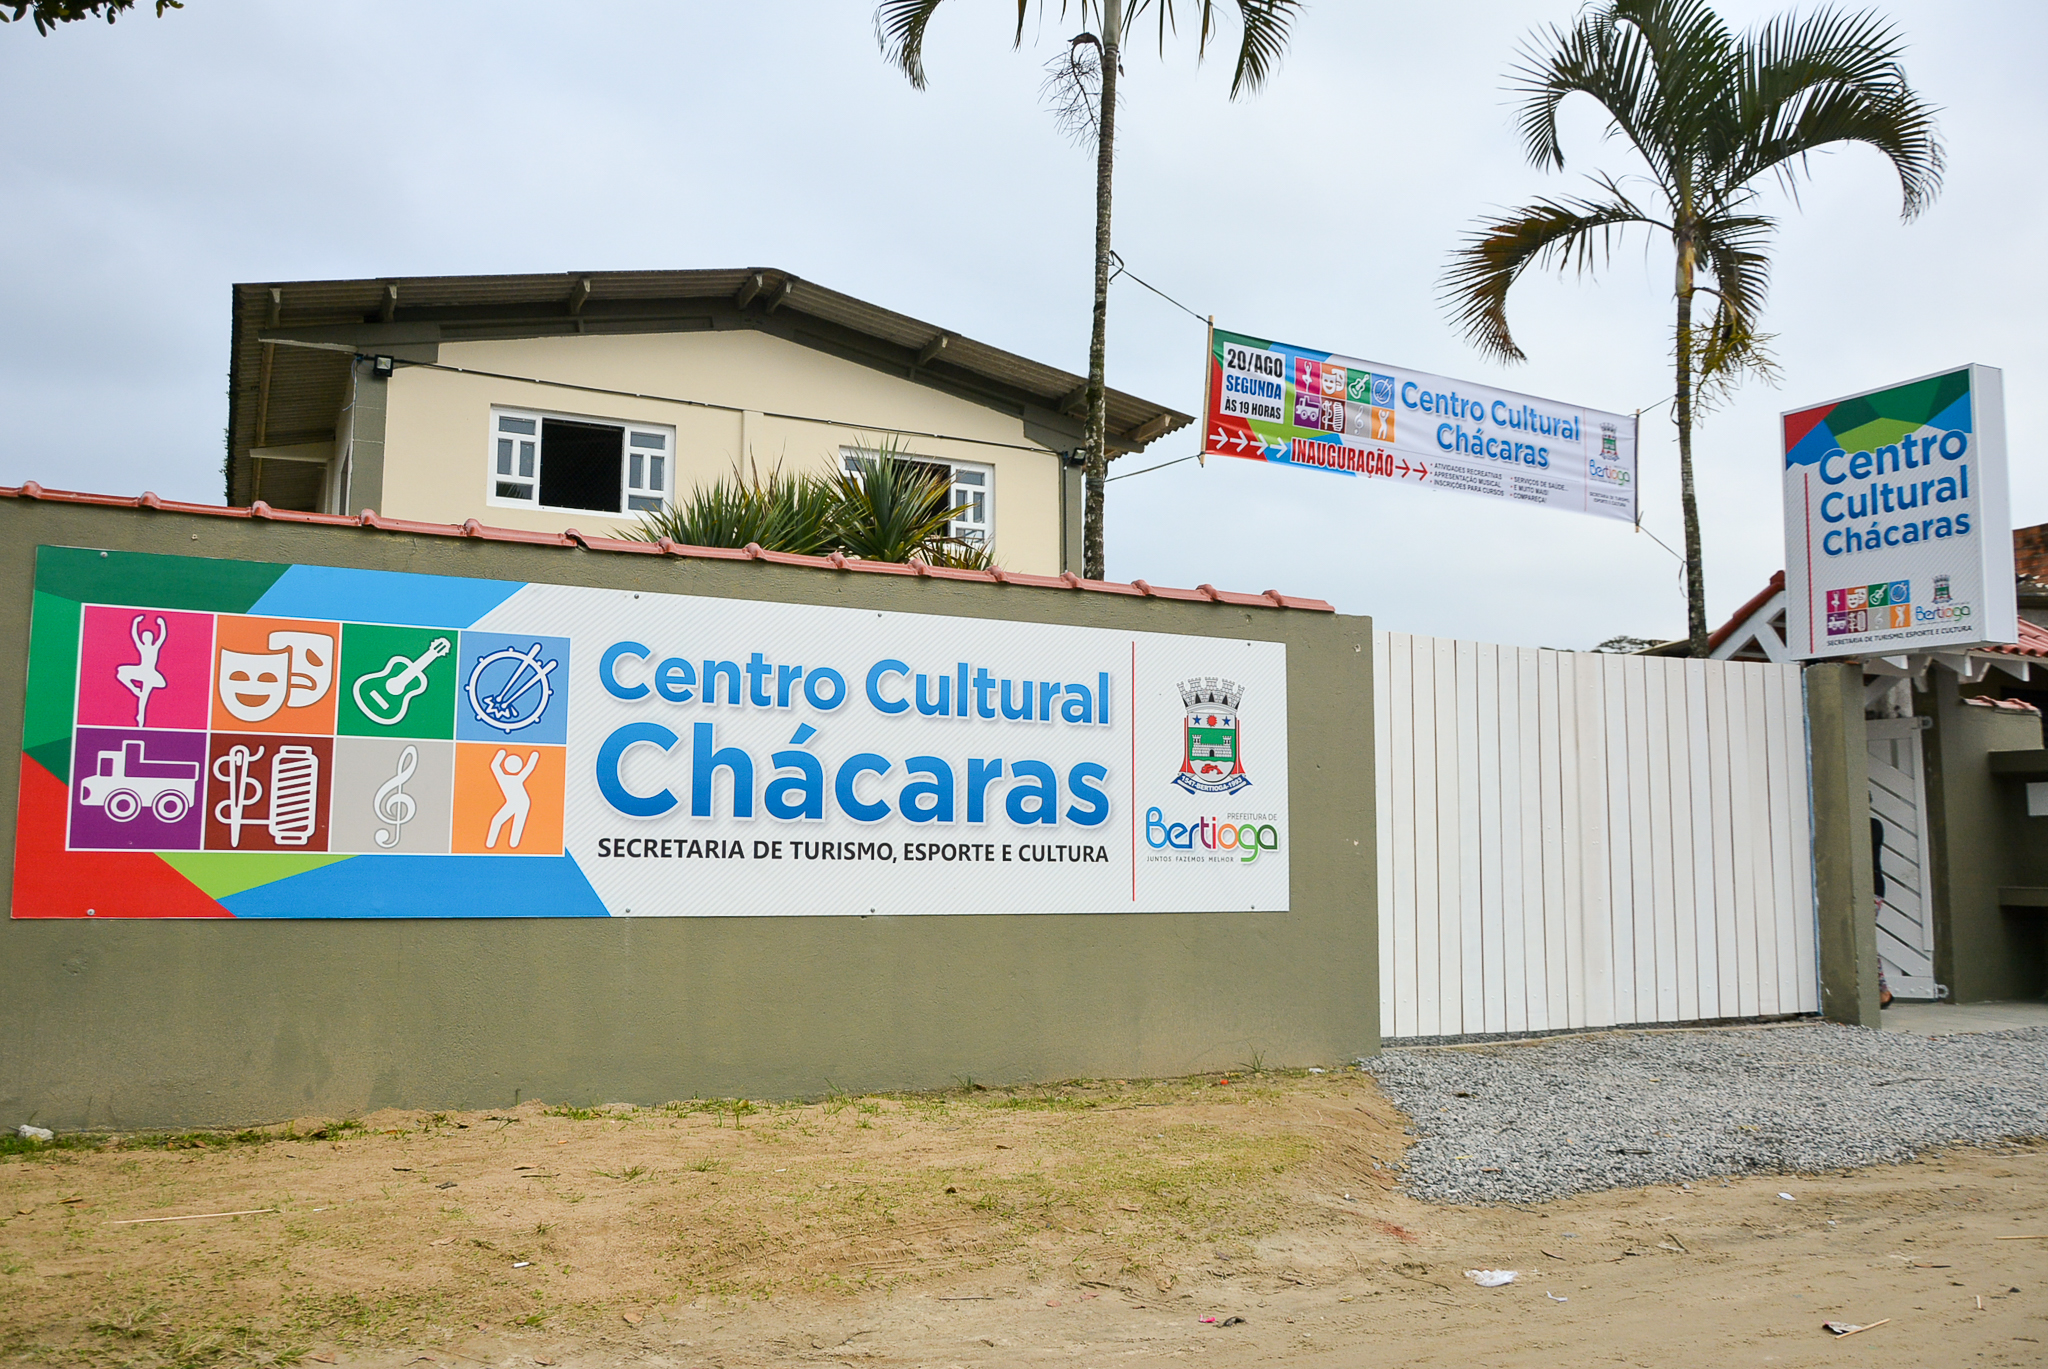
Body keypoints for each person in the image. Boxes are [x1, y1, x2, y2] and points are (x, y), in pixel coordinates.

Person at [487, 749, 540, 850]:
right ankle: (491, 844)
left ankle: (513, 844)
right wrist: (501, 754)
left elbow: (529, 768)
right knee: (496, 820)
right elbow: (494, 766)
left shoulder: (513, 778)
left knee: (518, 822)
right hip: (512, 803)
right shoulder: (503, 778)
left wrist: (534, 756)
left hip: (523, 802)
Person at [1872, 815, 1892, 1008]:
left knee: (1865, 938)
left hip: (1872, 889)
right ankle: (1881, 990)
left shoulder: (1873, 825)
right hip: (1858, 887)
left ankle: (1882, 990)